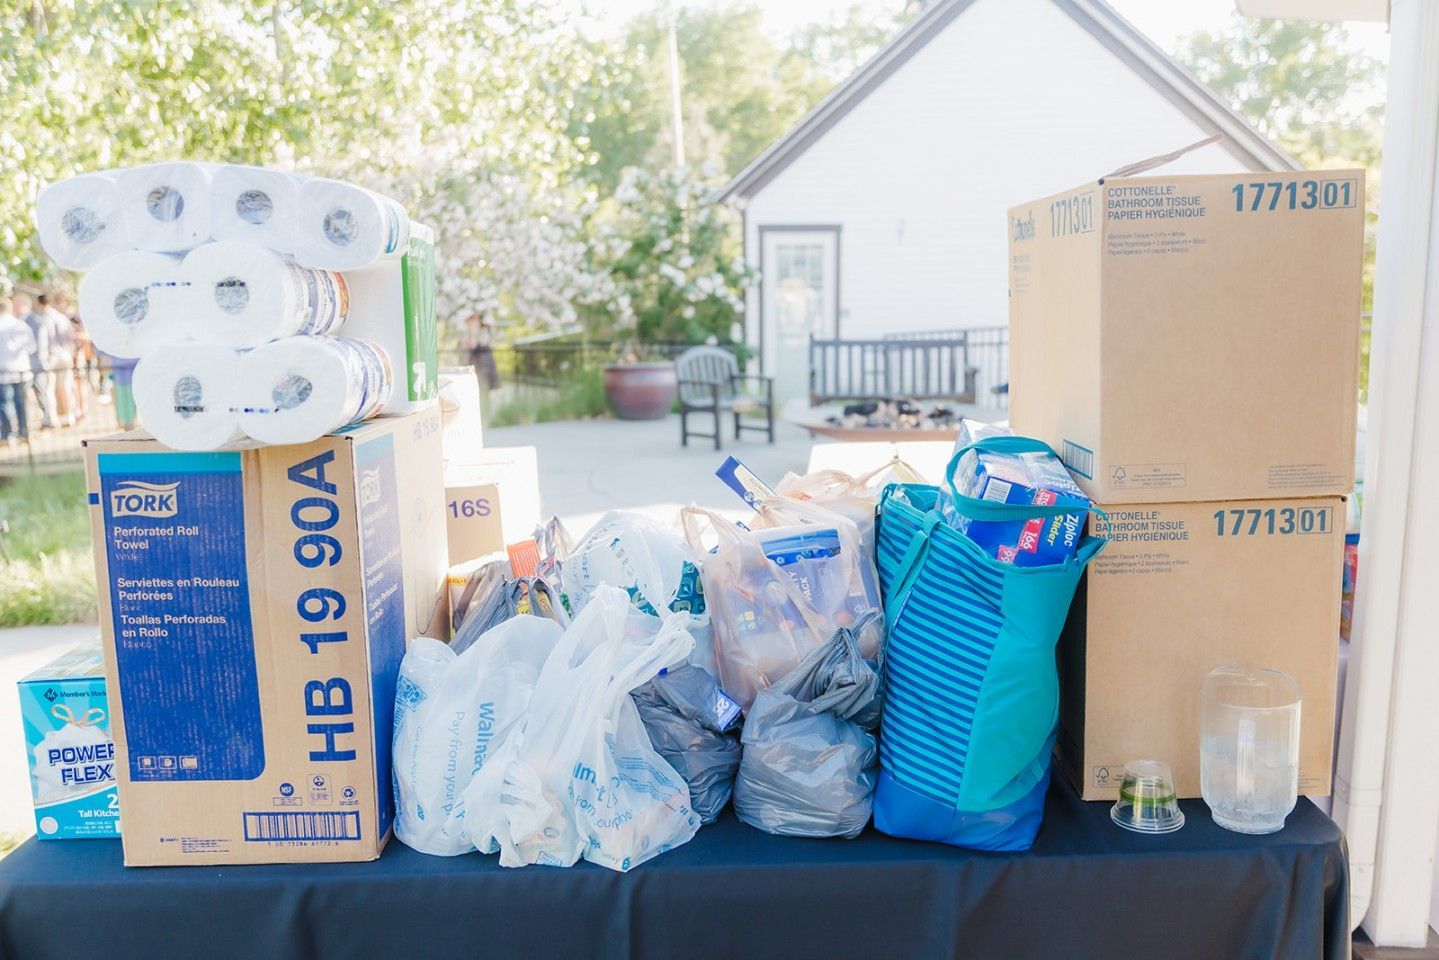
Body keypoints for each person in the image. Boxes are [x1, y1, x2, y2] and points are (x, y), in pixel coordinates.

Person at [0, 295, 37, 447]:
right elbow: (32, 348)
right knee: (22, 402)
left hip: (4, 371)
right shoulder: (21, 325)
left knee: (6, 403)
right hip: (22, 369)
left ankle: (9, 434)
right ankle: (25, 431)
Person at [19, 292, 56, 429]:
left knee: (41, 392)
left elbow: (39, 346)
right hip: (24, 366)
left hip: (36, 364)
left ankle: (46, 420)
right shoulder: (24, 321)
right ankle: (29, 423)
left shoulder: (37, 322)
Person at [39, 293, 76, 427]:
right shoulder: (61, 317)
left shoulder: (44, 319)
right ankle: (69, 416)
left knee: (50, 389)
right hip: (65, 354)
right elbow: (71, 337)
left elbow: (43, 341)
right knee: (65, 387)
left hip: (52, 356)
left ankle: (53, 419)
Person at [464, 311, 501, 392]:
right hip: (475, 362)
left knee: (484, 386)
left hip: (483, 362)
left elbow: (476, 345)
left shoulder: (483, 332)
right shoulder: (469, 333)